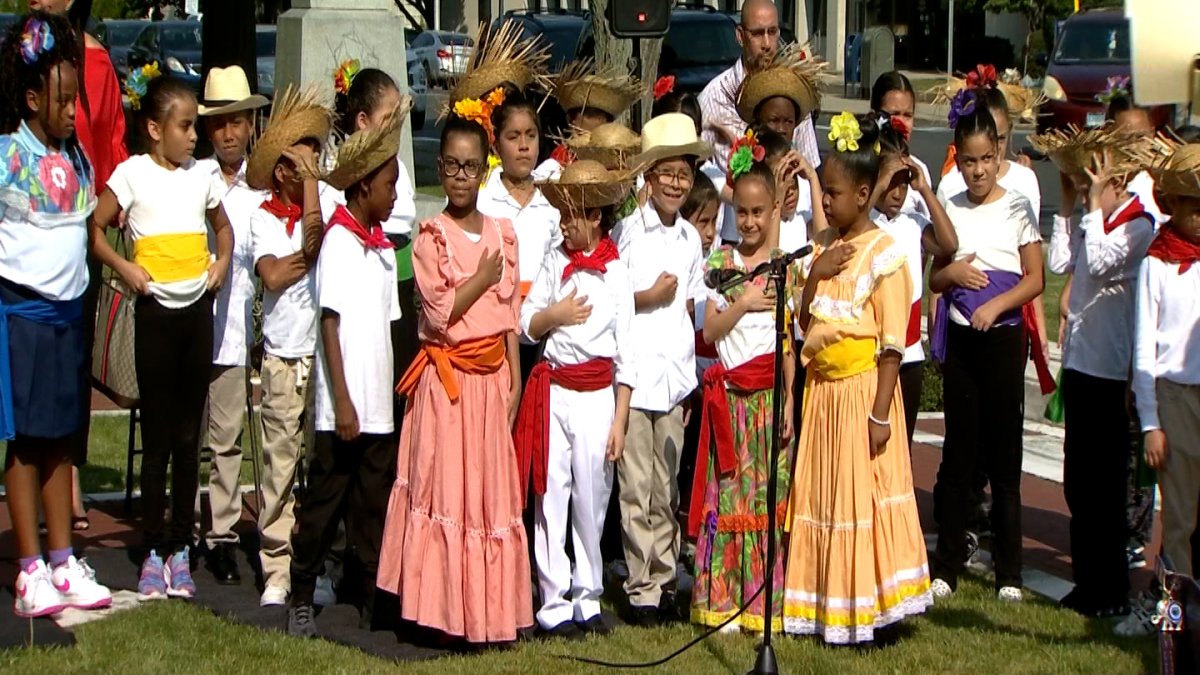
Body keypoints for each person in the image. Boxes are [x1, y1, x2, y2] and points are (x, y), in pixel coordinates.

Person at [378, 111, 532, 645]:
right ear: (440, 169)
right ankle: (438, 609)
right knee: (445, 490)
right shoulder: (431, 237)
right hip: (448, 382)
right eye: (452, 167)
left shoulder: (502, 233)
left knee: (485, 495)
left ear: (483, 168)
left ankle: (485, 614)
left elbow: (509, 313)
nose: (462, 177)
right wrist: (480, 277)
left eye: (472, 167)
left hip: (489, 382)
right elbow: (440, 313)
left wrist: (513, 377)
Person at [781, 112, 930, 644]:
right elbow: (804, 324)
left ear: (864, 194)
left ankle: (871, 609)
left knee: (861, 497)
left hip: (862, 394)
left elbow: (892, 345)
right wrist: (813, 278)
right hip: (823, 395)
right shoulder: (823, 248)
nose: (827, 204)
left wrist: (880, 414)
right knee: (825, 495)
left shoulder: (885, 256)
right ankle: (825, 603)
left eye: (836, 194)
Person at [90, 71, 233, 599]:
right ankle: (152, 546)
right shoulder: (131, 175)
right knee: (156, 439)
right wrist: (125, 270)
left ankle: (180, 548)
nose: (195, 136)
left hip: (196, 314)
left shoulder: (203, 176)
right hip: (154, 316)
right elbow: (96, 227)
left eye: (195, 126)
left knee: (187, 437)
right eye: (186, 126)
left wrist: (220, 264)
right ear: (155, 129)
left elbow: (223, 228)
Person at [1, 11, 113, 618]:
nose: (74, 111)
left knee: (63, 441)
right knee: (26, 445)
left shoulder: (77, 159)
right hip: (21, 320)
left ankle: (63, 561)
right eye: (64, 101)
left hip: (70, 316)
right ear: (30, 98)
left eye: (77, 99)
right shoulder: (5, 158)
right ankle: (27, 569)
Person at [287, 101, 406, 637]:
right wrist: (345, 403)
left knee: (372, 506)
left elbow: (386, 329)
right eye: (389, 186)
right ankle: (302, 590)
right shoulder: (337, 241)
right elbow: (330, 326)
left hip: (379, 405)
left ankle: (365, 594)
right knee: (325, 502)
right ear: (362, 188)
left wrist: (387, 398)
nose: (396, 195)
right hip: (345, 409)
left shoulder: (383, 250)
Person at [1036, 126, 1156, 618]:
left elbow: (1105, 262)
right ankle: (1087, 582)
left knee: (1105, 486)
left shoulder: (1138, 224)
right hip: (1081, 364)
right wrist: (1068, 205)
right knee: (1078, 480)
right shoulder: (1094, 219)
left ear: (1120, 178)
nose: (1088, 185)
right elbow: (1062, 260)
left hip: (1111, 368)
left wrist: (1092, 208)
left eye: (1097, 177)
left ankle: (1110, 588)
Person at [928, 105, 1044, 602]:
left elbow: (1035, 279)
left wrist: (997, 304)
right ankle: (947, 565)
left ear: (998, 155)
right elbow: (936, 276)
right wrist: (952, 277)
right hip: (961, 340)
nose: (977, 171)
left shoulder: (1018, 206)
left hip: (1001, 340)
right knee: (958, 452)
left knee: (1004, 456)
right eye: (969, 162)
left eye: (985, 160)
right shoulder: (951, 204)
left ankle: (1009, 573)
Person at [515, 160, 636, 638]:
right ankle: (553, 599)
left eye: (574, 215)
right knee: (551, 494)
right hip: (556, 389)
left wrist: (620, 419)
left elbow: (628, 352)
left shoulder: (617, 273)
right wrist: (556, 314)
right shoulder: (553, 260)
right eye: (562, 215)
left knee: (592, 496)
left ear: (598, 218)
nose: (566, 224)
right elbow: (526, 324)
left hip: (596, 397)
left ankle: (589, 594)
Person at [31, 0, 131, 531]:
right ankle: (40, 474)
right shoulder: (28, 55)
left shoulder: (98, 65)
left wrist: (113, 215)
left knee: (75, 358)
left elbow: (111, 143)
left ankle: (68, 474)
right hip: (32, 223)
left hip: (83, 226)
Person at [690, 150, 797, 634]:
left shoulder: (780, 265)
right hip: (731, 401)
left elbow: (786, 342)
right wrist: (746, 302)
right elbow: (711, 331)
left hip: (769, 399)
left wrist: (790, 399)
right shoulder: (721, 262)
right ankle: (721, 596)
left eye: (760, 212)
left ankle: (760, 598)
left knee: (765, 497)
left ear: (773, 210)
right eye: (744, 212)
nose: (751, 221)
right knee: (731, 495)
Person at [610, 112, 709, 626]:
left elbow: (690, 313)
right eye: (666, 172)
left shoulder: (691, 239)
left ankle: (666, 577)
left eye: (683, 173)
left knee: (665, 486)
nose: (675, 182)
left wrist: (689, 385)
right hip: (634, 377)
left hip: (672, 379)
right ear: (648, 178)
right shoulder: (628, 233)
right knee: (635, 485)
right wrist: (648, 296)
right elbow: (613, 300)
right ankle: (640, 585)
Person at [243, 85, 333, 607]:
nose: (312, 168)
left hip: (321, 354)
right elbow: (274, 274)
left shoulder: (326, 203)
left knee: (321, 469)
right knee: (279, 467)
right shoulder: (260, 216)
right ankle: (276, 567)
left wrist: (315, 197)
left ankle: (315, 562)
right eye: (301, 161)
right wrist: (309, 251)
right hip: (282, 355)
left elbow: (320, 247)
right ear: (280, 170)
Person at [193, 65, 269, 586]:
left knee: (244, 437)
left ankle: (240, 533)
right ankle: (198, 531)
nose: (228, 132)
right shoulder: (193, 179)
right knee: (201, 436)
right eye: (219, 124)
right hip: (198, 323)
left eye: (236, 122)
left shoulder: (261, 187)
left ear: (249, 125)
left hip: (246, 327)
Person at [1133, 139, 1200, 587]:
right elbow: (1144, 351)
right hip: (1176, 398)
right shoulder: (1158, 262)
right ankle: (1180, 611)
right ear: (1173, 203)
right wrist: (1151, 422)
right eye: (1194, 205)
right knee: (1180, 514)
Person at [870, 114, 958, 448]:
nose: (898, 191)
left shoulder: (913, 222)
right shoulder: (865, 223)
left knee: (901, 446)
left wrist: (924, 189)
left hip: (908, 351)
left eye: (903, 180)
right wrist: (879, 181)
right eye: (891, 181)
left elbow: (949, 244)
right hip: (872, 352)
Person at [699, 0, 820, 172]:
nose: (767, 44)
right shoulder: (713, 98)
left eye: (772, 32)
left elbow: (810, 168)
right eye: (757, 34)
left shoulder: (793, 93)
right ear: (740, 36)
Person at [537, 60, 643, 180]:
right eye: (589, 115)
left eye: (599, 116)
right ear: (572, 120)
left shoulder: (622, 158)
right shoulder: (560, 160)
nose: (596, 123)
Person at [870, 71, 933, 220]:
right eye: (894, 114)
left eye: (908, 115)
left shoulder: (920, 170)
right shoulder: (863, 165)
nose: (902, 123)